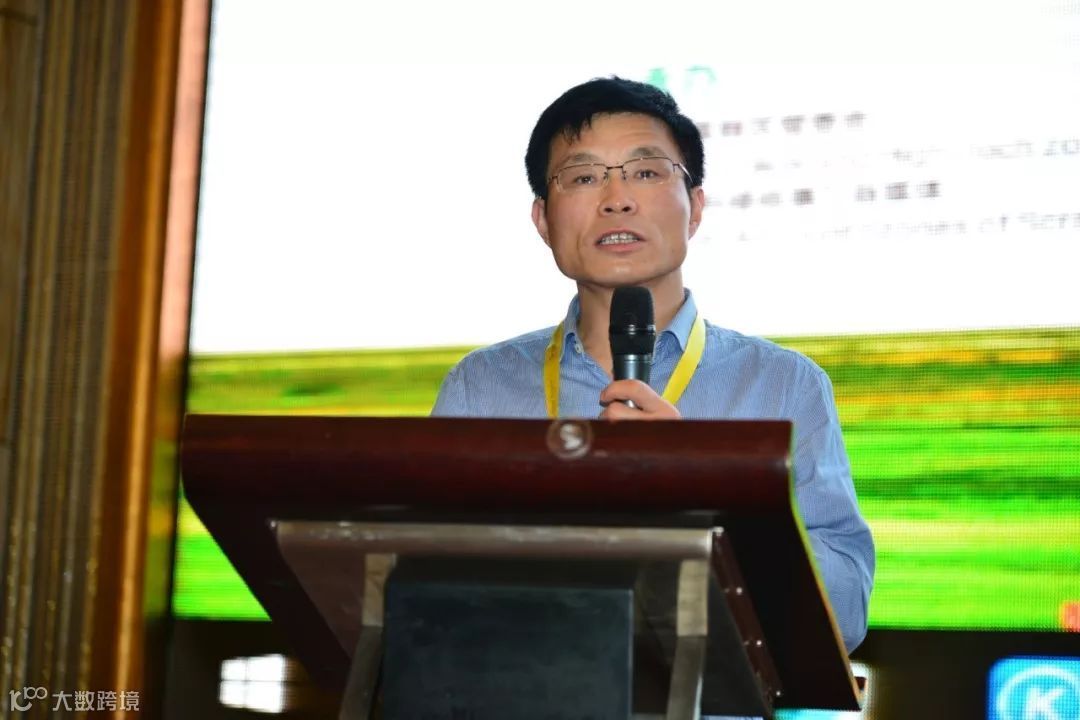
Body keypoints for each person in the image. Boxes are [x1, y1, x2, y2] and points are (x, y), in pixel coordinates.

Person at [432, 76, 874, 653]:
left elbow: (845, 615)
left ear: (695, 208)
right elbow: (425, 591)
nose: (616, 199)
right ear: (543, 220)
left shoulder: (785, 386)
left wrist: (707, 489)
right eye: (583, 177)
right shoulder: (481, 388)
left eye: (645, 172)